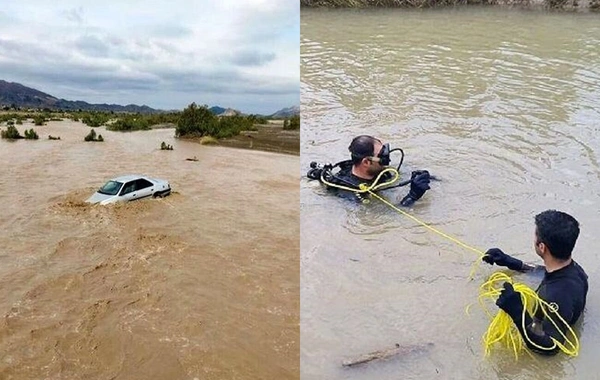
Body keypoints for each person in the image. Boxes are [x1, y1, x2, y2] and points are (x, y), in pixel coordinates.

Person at [482, 209, 588, 355]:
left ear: (542, 247)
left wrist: (518, 312)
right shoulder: (575, 270)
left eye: (535, 235)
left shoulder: (555, 296)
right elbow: (545, 271)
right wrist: (512, 262)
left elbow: (551, 348)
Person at [307, 135, 432, 206]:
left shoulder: (381, 171)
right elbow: (382, 218)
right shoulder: (349, 192)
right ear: (366, 162)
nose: (387, 159)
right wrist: (412, 197)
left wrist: (422, 177)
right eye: (382, 156)